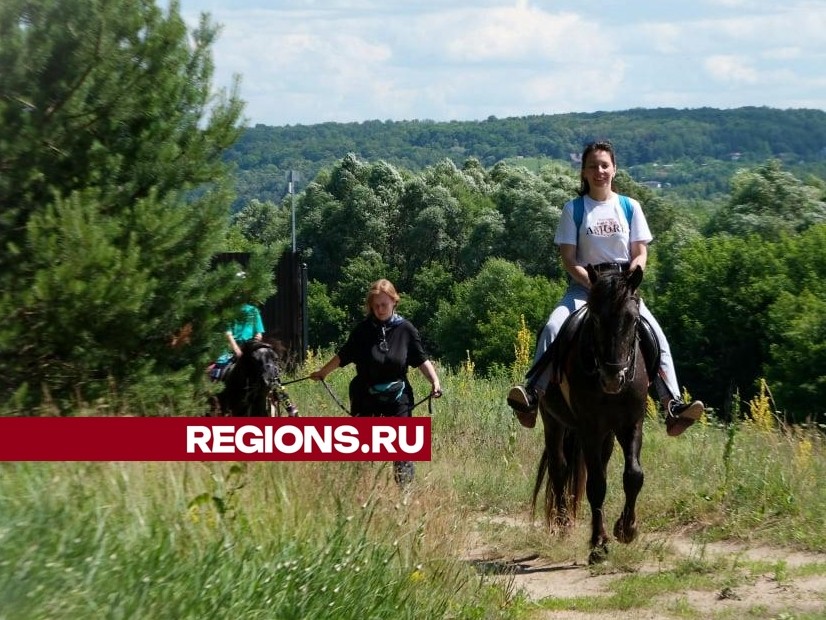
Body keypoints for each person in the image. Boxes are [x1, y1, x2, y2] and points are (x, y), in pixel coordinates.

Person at [506, 140, 703, 437]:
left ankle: (671, 405)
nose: (599, 171)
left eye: (604, 165)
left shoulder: (629, 207)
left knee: (656, 335)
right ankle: (533, 395)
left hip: (623, 289)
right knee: (552, 327)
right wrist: (594, 286)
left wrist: (631, 278)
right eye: (592, 166)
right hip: (584, 288)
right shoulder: (573, 209)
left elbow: (640, 252)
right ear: (583, 173)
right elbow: (569, 259)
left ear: (614, 169)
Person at [310, 278, 442, 487]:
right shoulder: (362, 330)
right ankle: (360, 488)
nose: (380, 309)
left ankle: (404, 492)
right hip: (366, 393)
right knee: (362, 445)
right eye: (376, 305)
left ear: (394, 302)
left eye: (384, 304)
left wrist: (435, 381)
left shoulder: (406, 329)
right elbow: (343, 356)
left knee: (403, 445)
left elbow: (421, 359)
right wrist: (322, 372)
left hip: (398, 393)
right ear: (370, 306)